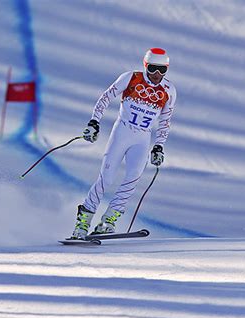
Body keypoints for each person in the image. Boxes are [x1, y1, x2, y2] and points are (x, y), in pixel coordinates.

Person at [70, 47, 177, 240]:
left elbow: (165, 121)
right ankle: (83, 222)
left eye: (162, 70)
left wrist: (159, 145)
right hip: (122, 132)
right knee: (106, 178)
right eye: (153, 68)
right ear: (146, 66)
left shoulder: (168, 91)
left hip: (142, 138)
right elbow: (105, 98)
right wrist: (94, 122)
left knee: (133, 177)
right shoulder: (131, 78)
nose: (156, 74)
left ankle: (108, 221)